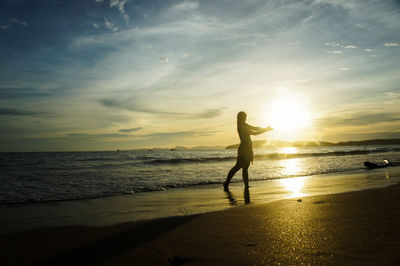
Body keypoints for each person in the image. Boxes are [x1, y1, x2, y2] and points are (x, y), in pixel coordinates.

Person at [223, 111, 272, 191]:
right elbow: (254, 133)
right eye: (244, 117)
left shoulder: (244, 125)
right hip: (244, 149)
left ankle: (245, 185)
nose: (245, 119)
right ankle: (227, 183)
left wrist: (265, 128)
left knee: (244, 168)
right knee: (238, 167)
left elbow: (254, 128)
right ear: (240, 118)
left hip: (247, 149)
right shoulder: (241, 126)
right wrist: (265, 130)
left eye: (246, 117)